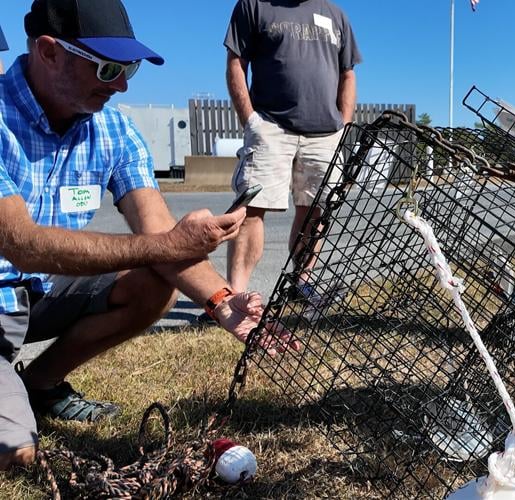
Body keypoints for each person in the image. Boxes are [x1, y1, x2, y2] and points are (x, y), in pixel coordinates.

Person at [0, 0, 297, 471]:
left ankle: (41, 384)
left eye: (129, 68)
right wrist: (167, 245)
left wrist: (221, 301)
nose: (119, 85)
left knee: (154, 280)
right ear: (49, 52)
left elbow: (160, 233)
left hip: (39, 293)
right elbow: (20, 243)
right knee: (15, 455)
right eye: (107, 68)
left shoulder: (113, 129)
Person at [223, 0, 362, 304]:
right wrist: (250, 120)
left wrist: (345, 124)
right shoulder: (254, 6)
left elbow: (347, 74)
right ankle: (234, 293)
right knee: (251, 208)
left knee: (315, 209)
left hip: (326, 133)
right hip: (271, 125)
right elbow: (236, 62)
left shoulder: (336, 15)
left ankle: (301, 283)